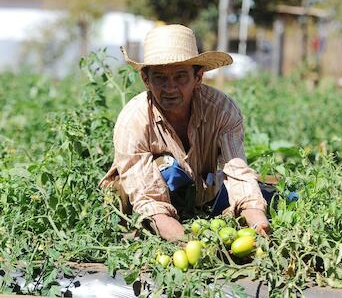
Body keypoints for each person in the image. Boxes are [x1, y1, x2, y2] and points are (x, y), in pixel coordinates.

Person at [99, 24, 272, 241]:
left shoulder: (222, 111)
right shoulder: (133, 121)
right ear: (146, 79)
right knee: (165, 170)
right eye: (160, 78)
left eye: (181, 76)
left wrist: (258, 222)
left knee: (266, 194)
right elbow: (149, 201)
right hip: (144, 202)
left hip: (201, 193)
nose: (170, 88)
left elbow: (237, 173)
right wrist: (190, 244)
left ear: (198, 77)